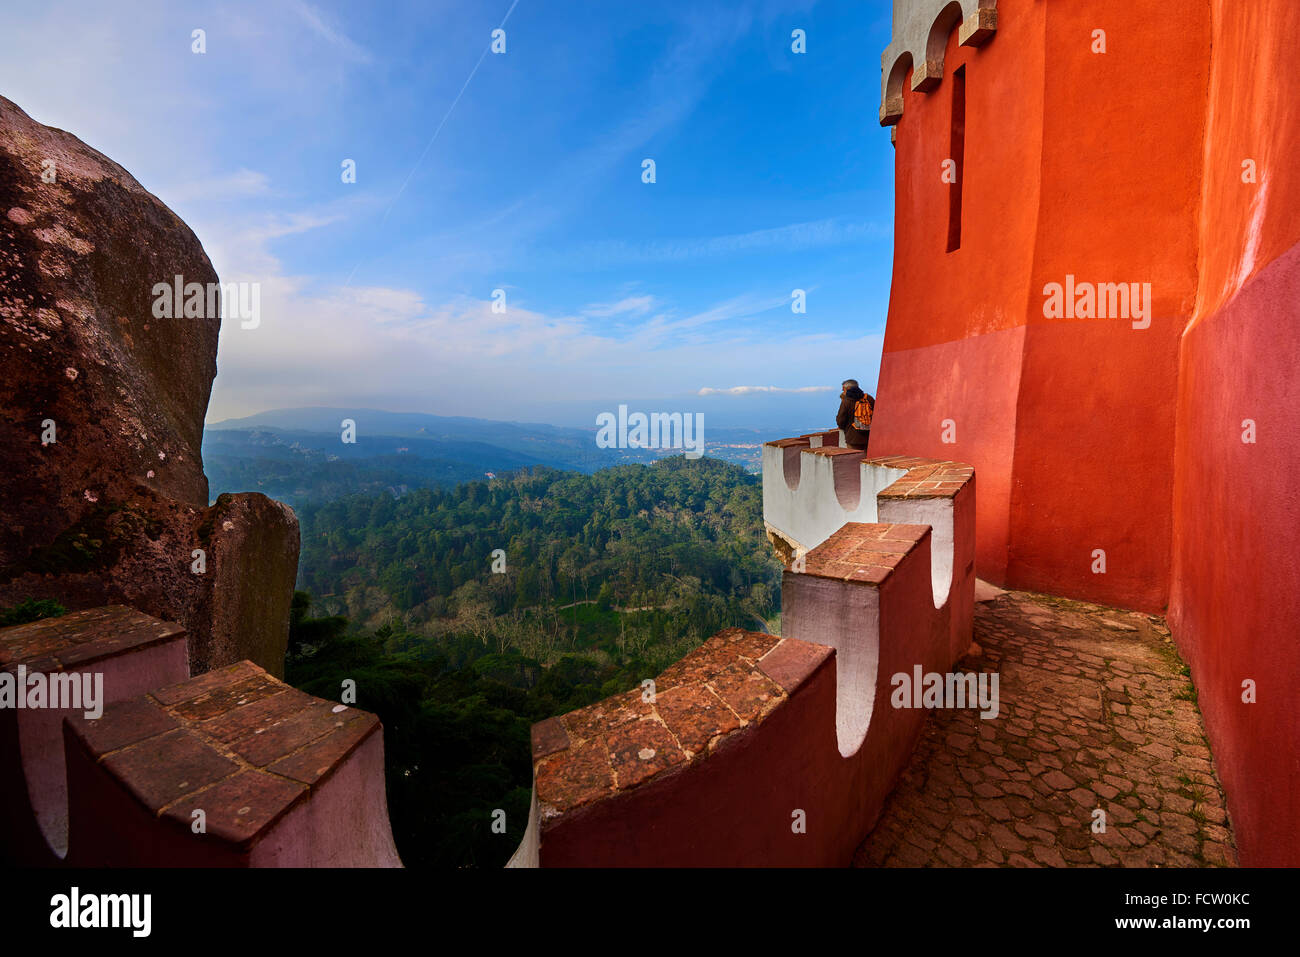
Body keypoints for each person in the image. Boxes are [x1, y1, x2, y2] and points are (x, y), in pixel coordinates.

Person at [836, 379, 874, 451]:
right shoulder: (868, 398)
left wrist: (843, 427)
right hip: (868, 436)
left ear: (847, 389)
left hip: (852, 437)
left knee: (854, 460)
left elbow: (840, 420)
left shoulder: (846, 401)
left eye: (843, 389)